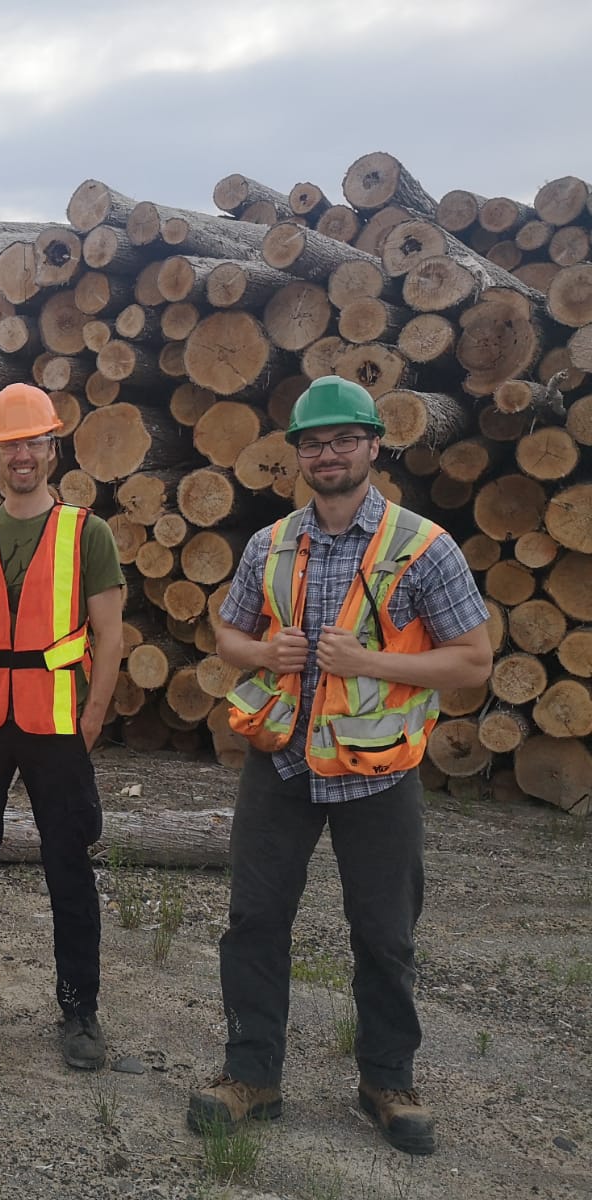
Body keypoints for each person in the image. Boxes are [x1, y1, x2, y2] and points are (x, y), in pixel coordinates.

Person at [187, 375, 492, 1156]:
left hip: (378, 774)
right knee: (254, 921)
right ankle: (250, 1075)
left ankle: (387, 1081)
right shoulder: (270, 544)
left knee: (385, 934)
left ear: (373, 446)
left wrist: (375, 661)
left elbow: (473, 662)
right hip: (282, 765)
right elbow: (229, 637)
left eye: (343, 440)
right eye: (313, 443)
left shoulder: (424, 548)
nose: (328, 454)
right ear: (297, 455)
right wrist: (263, 650)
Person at [0, 383, 124, 1071]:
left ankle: (79, 1009)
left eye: (34, 442)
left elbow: (110, 634)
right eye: (10, 444)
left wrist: (91, 717)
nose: (22, 455)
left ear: (52, 445)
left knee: (67, 867)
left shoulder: (85, 533)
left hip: (56, 722)